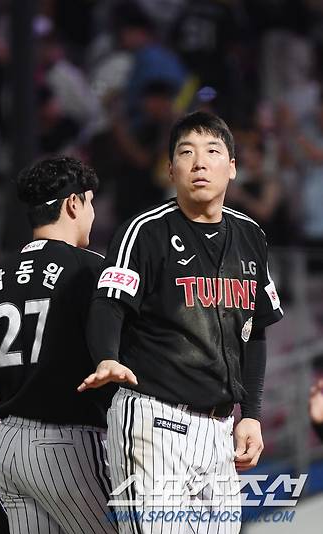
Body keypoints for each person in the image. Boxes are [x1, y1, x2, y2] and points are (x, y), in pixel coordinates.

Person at [81, 111, 284, 533]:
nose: (199, 163)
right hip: (154, 420)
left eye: (213, 152)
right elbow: (109, 303)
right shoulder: (144, 230)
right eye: (186, 153)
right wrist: (105, 356)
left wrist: (252, 413)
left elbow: (255, 332)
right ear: (170, 169)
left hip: (219, 430)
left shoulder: (251, 235)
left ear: (233, 167)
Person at [0, 156, 118, 534]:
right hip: (69, 443)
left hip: (8, 447)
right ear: (73, 204)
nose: (92, 213)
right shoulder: (91, 269)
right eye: (90, 202)